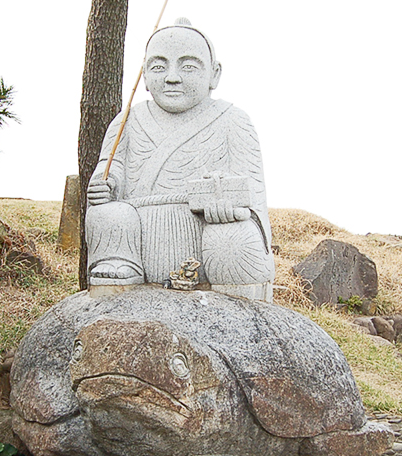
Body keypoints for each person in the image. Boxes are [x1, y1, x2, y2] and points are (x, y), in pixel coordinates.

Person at [85, 18, 274, 301]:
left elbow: (252, 191)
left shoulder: (233, 119)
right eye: (159, 66)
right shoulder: (128, 120)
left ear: (215, 74)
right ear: (144, 75)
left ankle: (237, 300)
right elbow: (112, 167)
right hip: (137, 235)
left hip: (205, 233)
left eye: (188, 66)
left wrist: (229, 204)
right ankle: (119, 263)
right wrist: (106, 183)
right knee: (106, 213)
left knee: (232, 238)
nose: (172, 77)